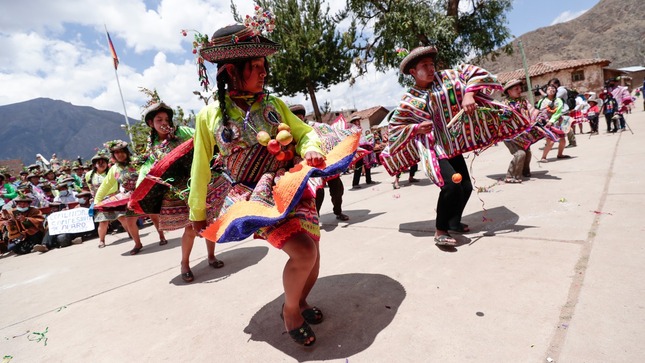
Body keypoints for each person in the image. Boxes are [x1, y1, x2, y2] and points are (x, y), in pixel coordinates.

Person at [188, 23, 355, 346]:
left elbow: (305, 132)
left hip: (289, 186)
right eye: (256, 68)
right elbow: (200, 168)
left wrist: (310, 150)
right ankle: (290, 311)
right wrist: (197, 211)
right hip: (254, 198)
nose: (264, 74)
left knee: (313, 252)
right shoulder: (209, 115)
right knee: (304, 253)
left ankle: (300, 301)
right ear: (232, 73)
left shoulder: (274, 105)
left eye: (264, 67)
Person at [384, 46, 530, 246]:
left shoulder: (448, 79)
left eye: (431, 64)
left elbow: (474, 73)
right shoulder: (410, 100)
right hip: (434, 150)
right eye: (424, 66)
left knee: (466, 187)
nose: (430, 69)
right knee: (451, 186)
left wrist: (469, 93)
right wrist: (416, 128)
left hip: (452, 147)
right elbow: (394, 129)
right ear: (412, 72)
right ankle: (440, 230)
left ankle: (453, 222)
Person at [133, 102, 223, 282]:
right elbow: (149, 170)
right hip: (178, 191)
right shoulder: (153, 147)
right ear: (151, 123)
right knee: (190, 228)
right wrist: (139, 191)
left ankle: (211, 256)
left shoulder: (183, 132)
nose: (164, 122)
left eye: (166, 119)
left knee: (208, 221)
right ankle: (185, 263)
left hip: (199, 182)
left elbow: (202, 139)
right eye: (159, 119)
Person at [95, 140, 166, 254]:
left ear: (127, 152)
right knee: (130, 221)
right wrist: (97, 200)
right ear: (113, 155)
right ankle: (138, 244)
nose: (120, 154)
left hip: (145, 192)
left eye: (122, 151)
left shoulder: (136, 162)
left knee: (153, 216)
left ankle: (162, 236)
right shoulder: (114, 169)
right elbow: (105, 185)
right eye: (116, 153)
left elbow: (149, 171)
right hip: (130, 197)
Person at [290, 104, 350, 221]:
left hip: (327, 163)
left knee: (337, 190)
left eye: (300, 116)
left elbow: (331, 134)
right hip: (311, 167)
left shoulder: (316, 126)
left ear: (303, 117)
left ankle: (338, 212)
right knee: (317, 192)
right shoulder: (291, 132)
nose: (299, 119)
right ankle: (315, 219)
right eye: (295, 117)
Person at [538, 85, 571, 162]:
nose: (551, 90)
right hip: (546, 123)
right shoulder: (542, 101)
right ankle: (543, 157)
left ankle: (560, 154)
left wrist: (551, 121)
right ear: (546, 91)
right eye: (548, 88)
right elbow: (539, 110)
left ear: (556, 91)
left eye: (553, 88)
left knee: (563, 140)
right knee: (550, 141)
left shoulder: (558, 100)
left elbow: (558, 112)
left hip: (557, 122)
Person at [349, 115, 373, 189]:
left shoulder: (359, 129)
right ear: (354, 122)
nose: (358, 121)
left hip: (363, 147)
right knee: (359, 165)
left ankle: (368, 180)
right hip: (358, 149)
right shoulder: (353, 130)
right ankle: (355, 183)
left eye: (359, 120)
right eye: (357, 120)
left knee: (367, 164)